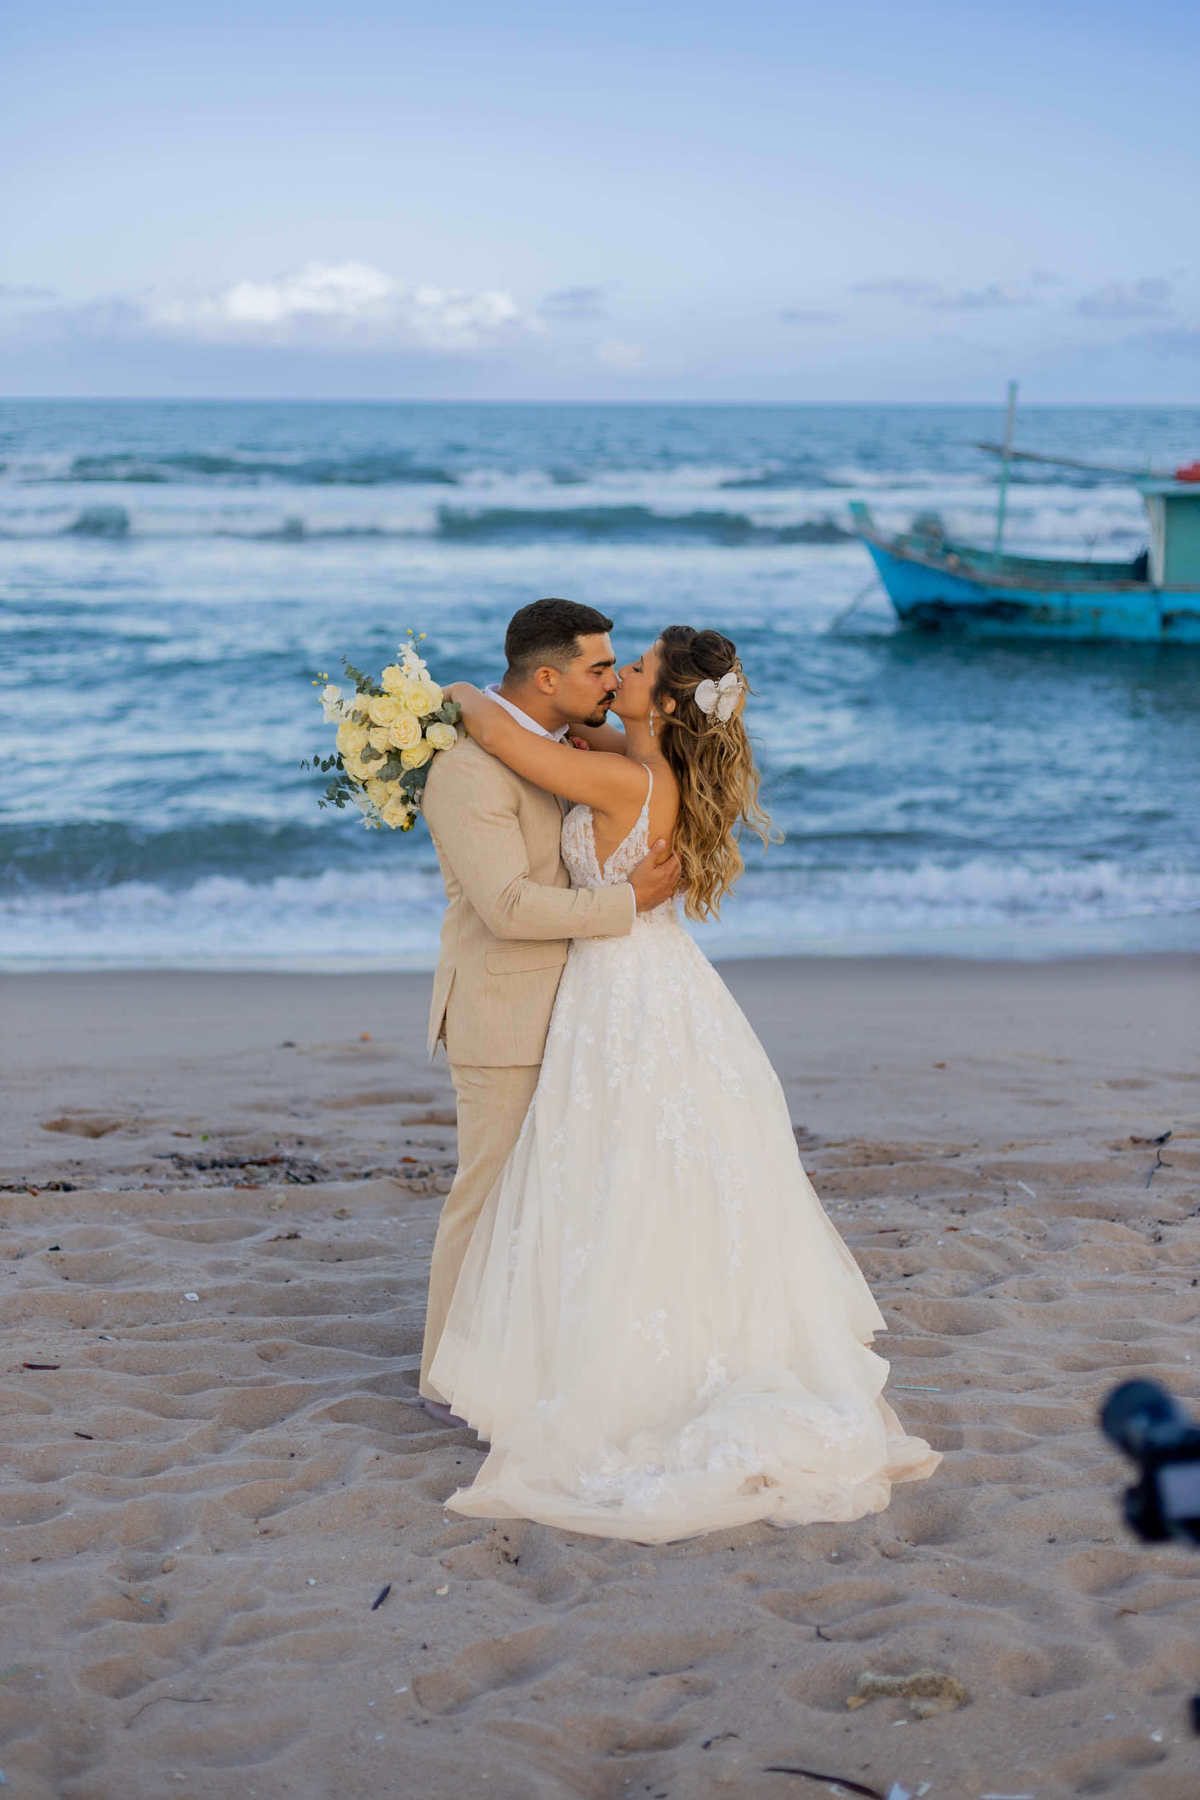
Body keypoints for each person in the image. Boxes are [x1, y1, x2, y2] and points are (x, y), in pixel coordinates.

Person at [426, 620, 940, 1543]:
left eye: (635, 669)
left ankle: (594, 1370)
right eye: (613, 662)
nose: (618, 674)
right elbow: (562, 741)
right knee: (658, 1176)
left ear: (663, 703)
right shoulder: (637, 759)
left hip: (621, 985)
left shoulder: (625, 777)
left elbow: (506, 739)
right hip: (660, 981)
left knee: (616, 1175)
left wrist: (451, 700)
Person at [418, 598, 681, 1420]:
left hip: (580, 1009)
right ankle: (443, 1380)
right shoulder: (468, 770)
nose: (613, 677)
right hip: (503, 1013)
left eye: (618, 667)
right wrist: (626, 906)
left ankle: (522, 1364)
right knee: (488, 1198)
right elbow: (504, 905)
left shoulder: (563, 745)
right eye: (600, 667)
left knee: (554, 1202)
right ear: (546, 677)